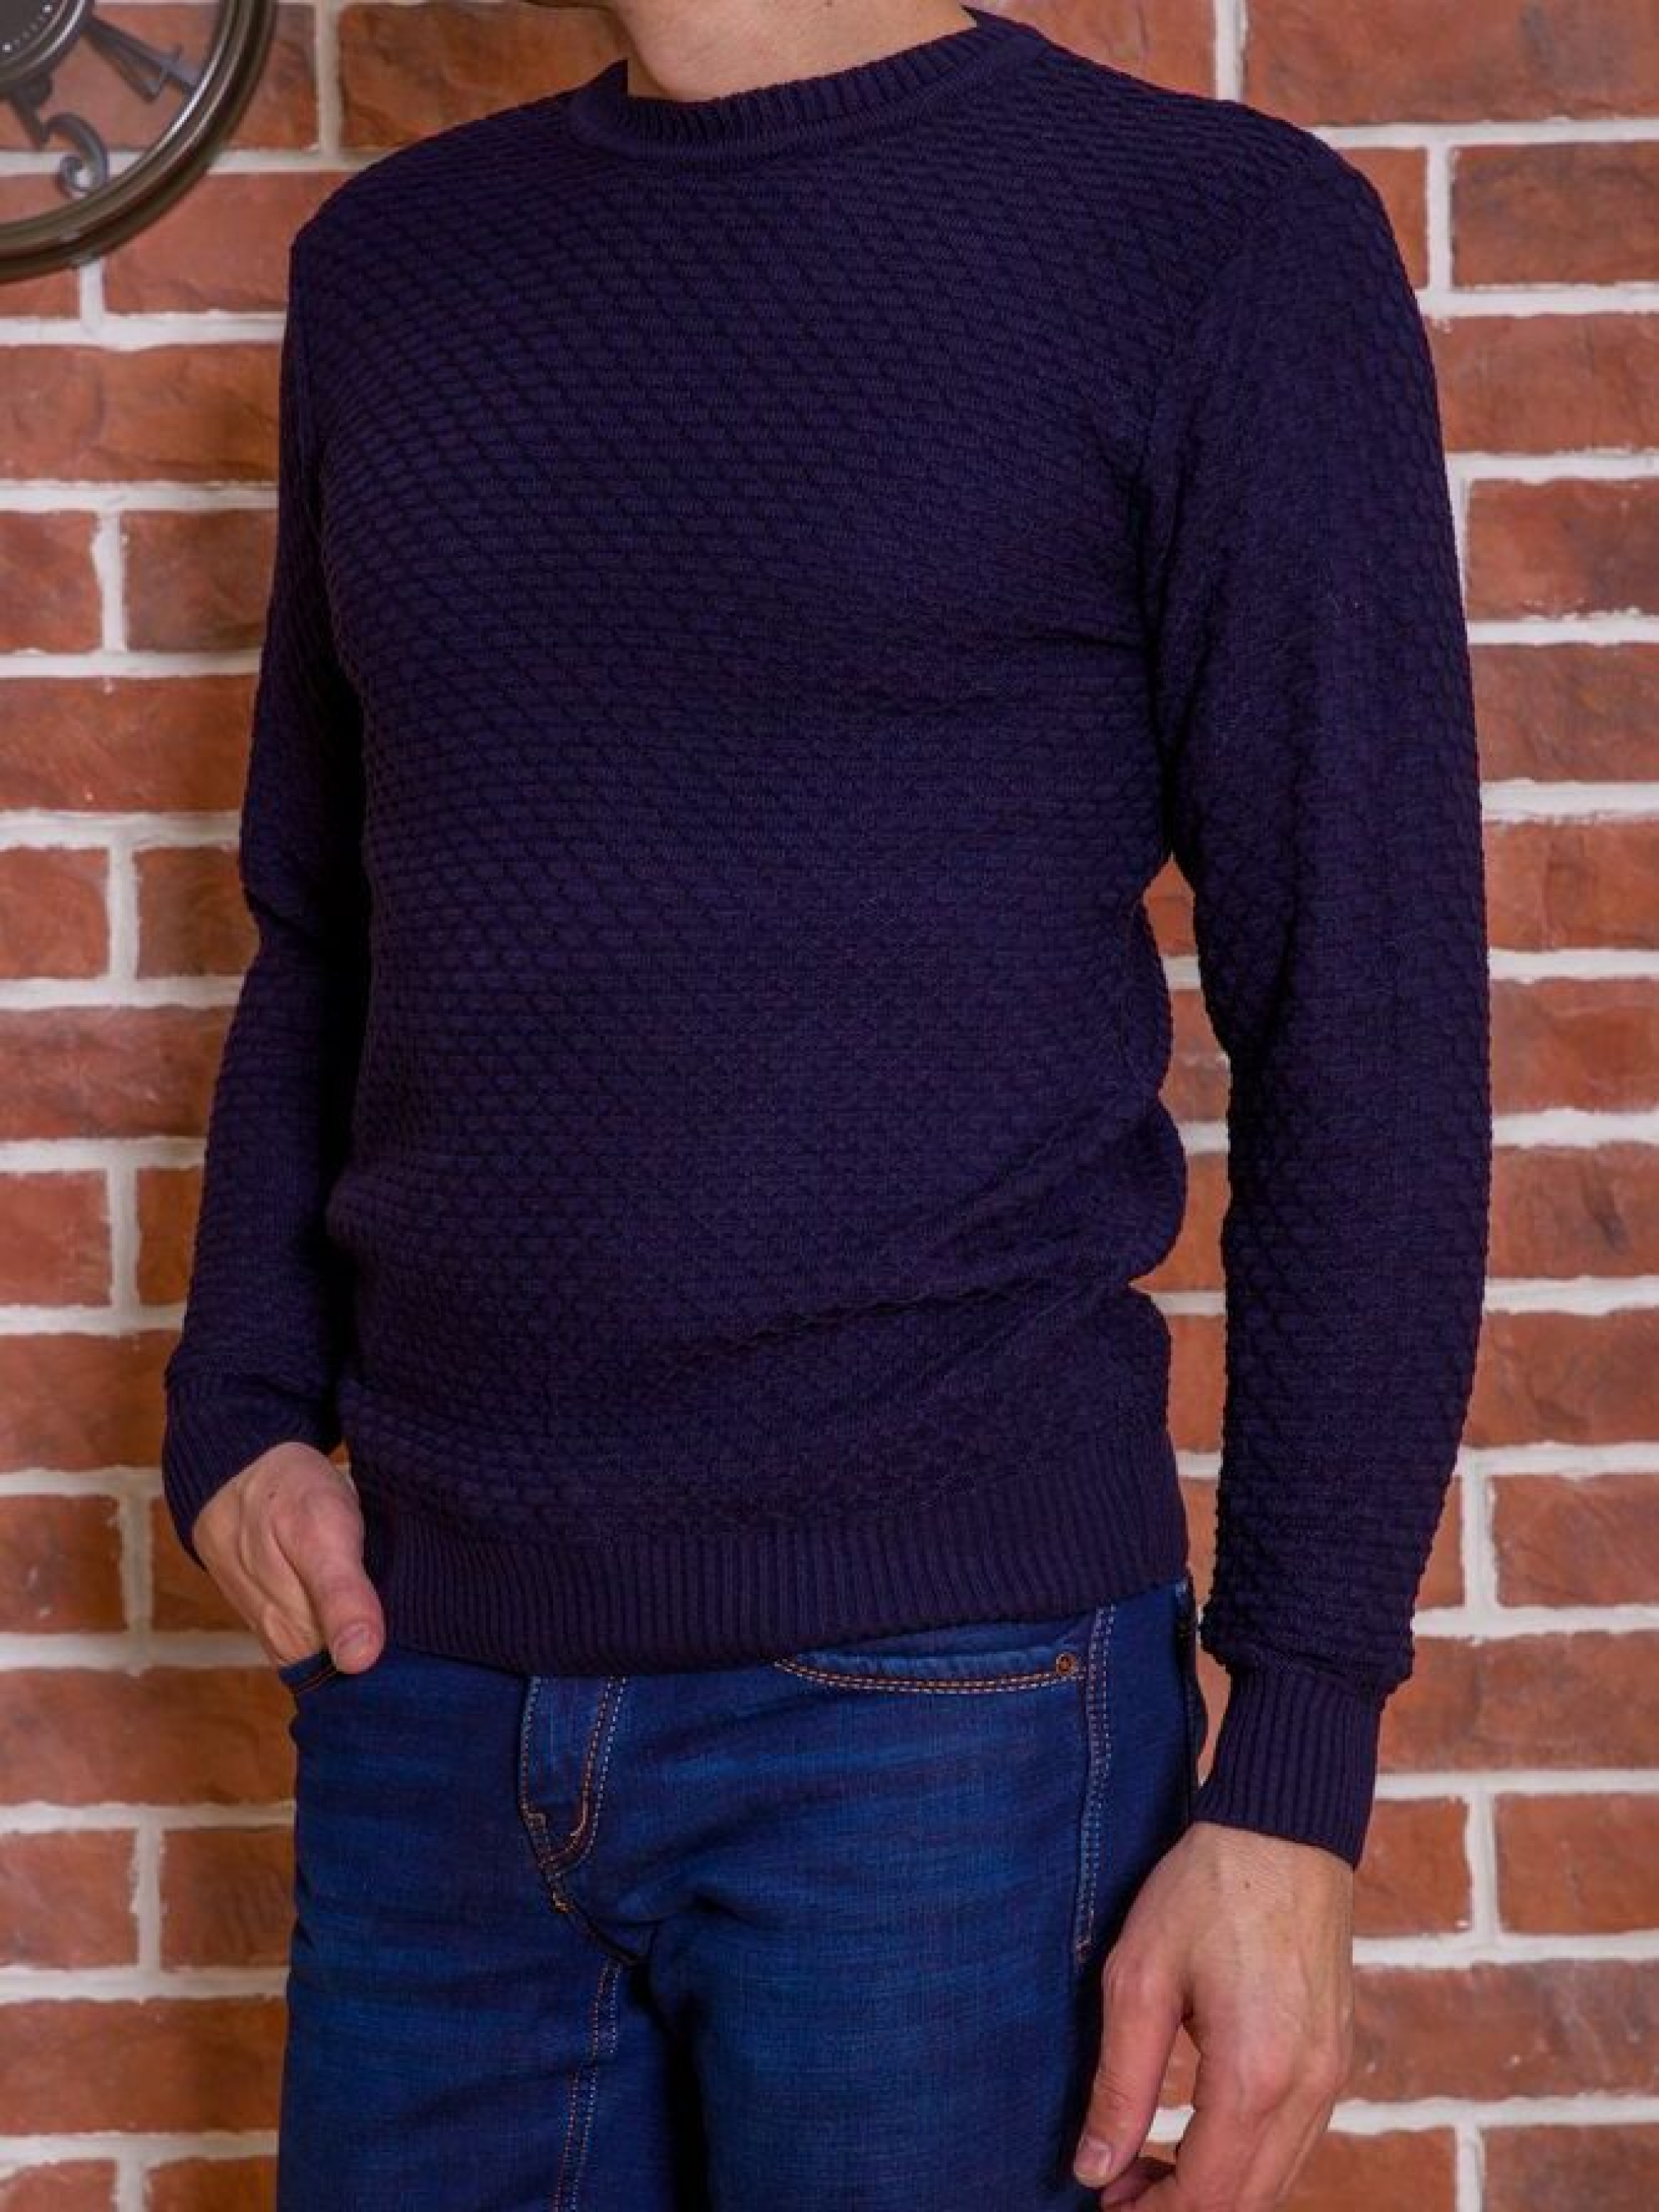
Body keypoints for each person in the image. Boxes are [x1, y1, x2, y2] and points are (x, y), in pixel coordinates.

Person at [160, 3, 1492, 2205]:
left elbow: (1366, 1020)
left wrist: (1292, 1771)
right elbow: (327, 923)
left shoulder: (1215, 244)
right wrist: (237, 1401)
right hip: (428, 1705)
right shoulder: (393, 269)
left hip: (946, 1724)